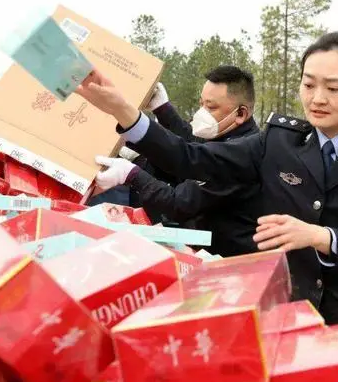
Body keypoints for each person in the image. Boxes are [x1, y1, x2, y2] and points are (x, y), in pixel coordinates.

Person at [76, 32, 338, 336]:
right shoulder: (279, 142)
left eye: (334, 88)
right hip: (294, 317)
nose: (317, 98)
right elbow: (192, 158)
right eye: (309, 85)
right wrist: (126, 114)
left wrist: (318, 236)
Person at [93, 66, 263, 257]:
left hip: (228, 261)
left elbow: (178, 202)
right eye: (202, 104)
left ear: (241, 113)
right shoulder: (228, 135)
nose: (202, 113)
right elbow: (192, 146)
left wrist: (133, 174)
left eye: (211, 107)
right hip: (208, 248)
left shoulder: (240, 156)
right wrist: (163, 110)